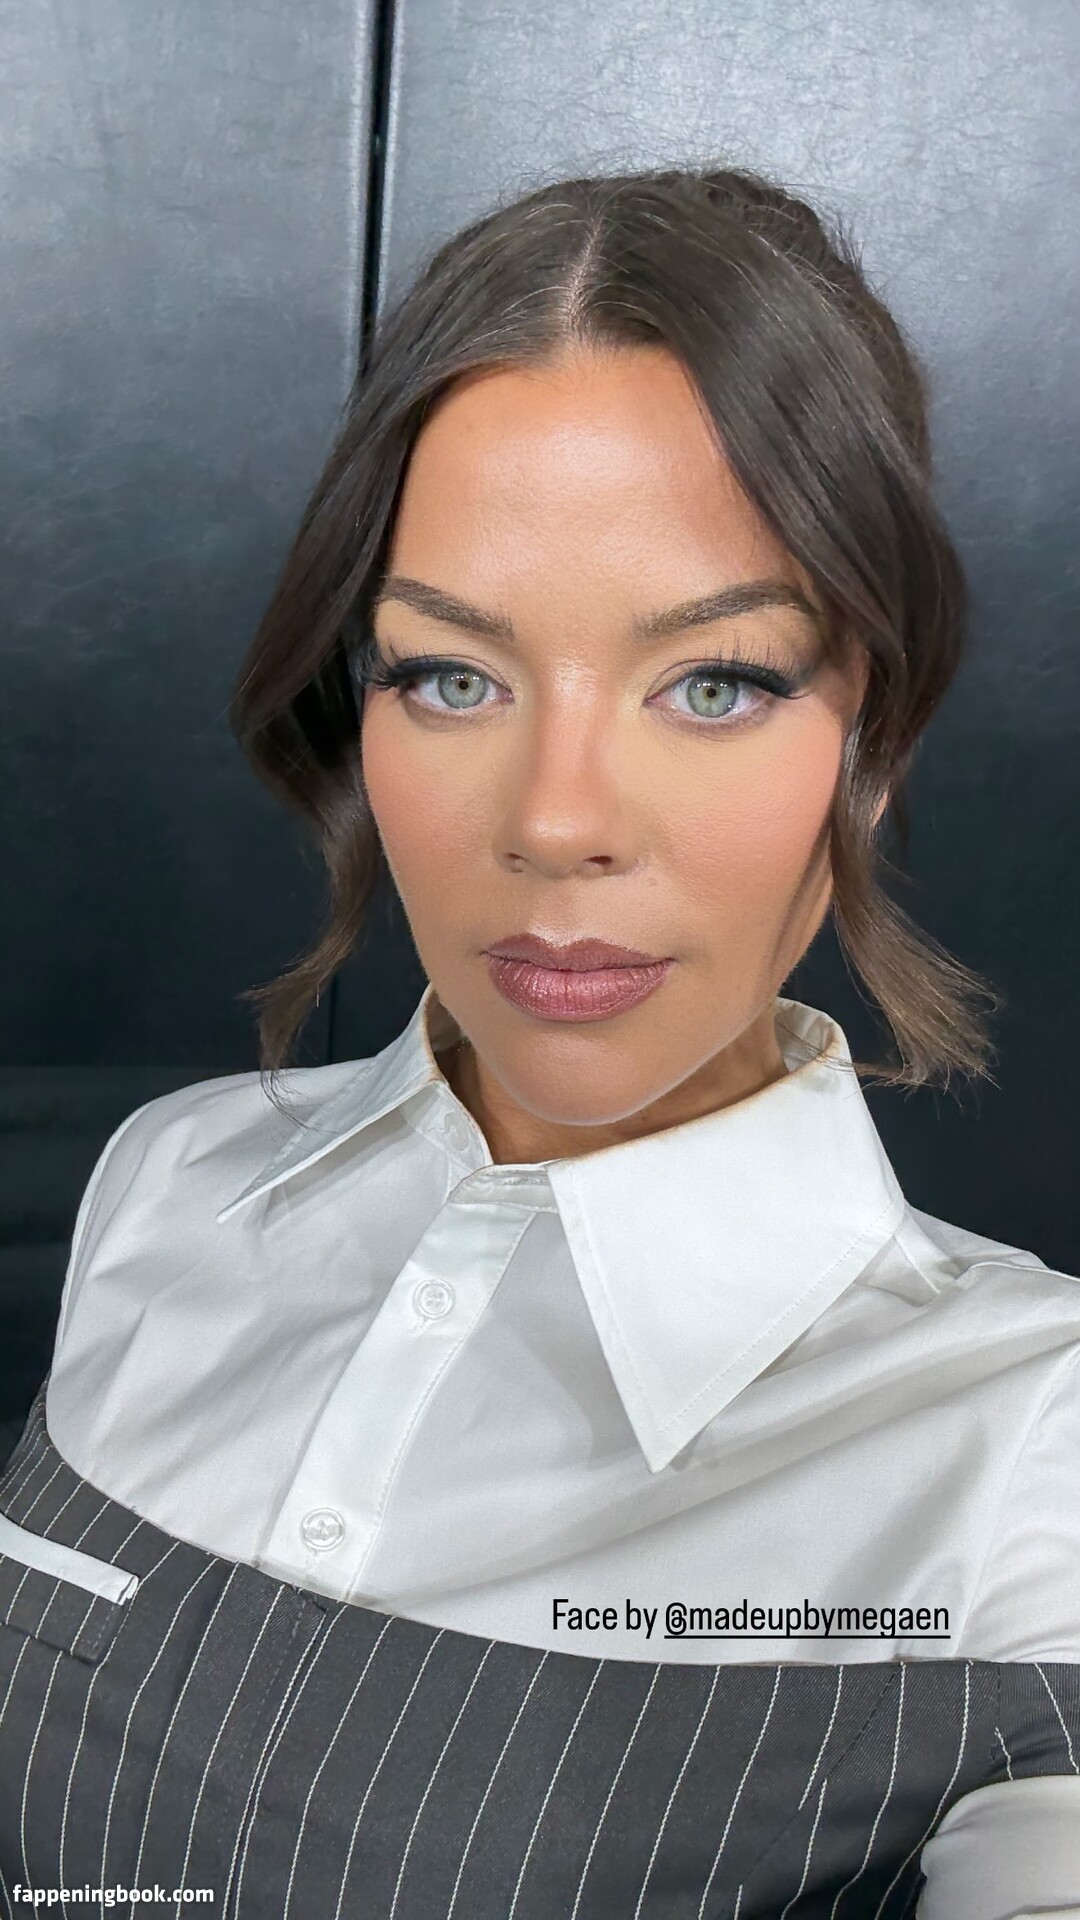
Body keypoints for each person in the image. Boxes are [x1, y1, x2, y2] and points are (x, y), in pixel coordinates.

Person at [1, 161, 1078, 1919]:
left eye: (716, 684)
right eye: (452, 676)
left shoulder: (1034, 1444)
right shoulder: (171, 1178)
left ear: (873, 741)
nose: (557, 820)